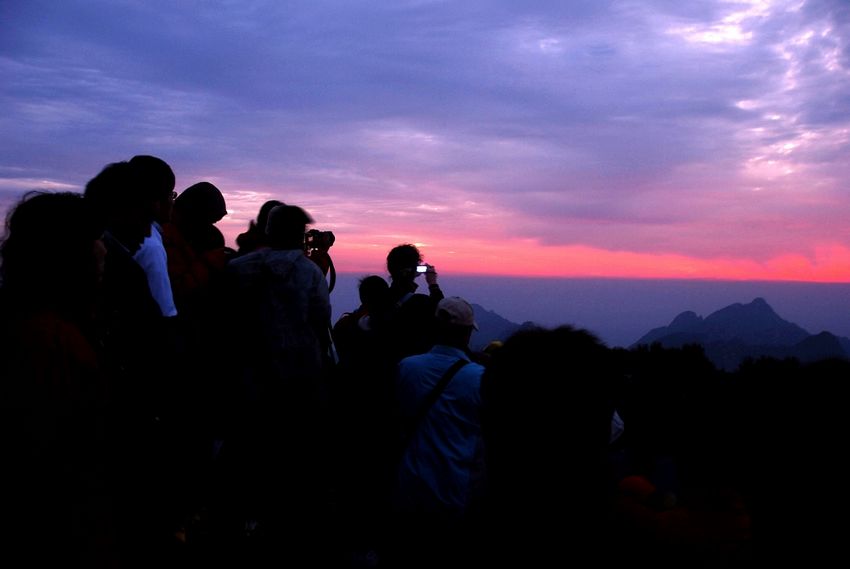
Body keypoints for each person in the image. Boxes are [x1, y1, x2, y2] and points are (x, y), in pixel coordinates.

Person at [0, 191, 117, 566]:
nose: (104, 250)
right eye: (94, 238)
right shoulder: (49, 342)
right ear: (64, 253)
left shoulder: (42, 327)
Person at [223, 203, 334, 564]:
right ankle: (288, 526)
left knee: (252, 447)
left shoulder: (238, 268)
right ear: (300, 236)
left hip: (249, 374)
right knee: (293, 451)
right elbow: (320, 322)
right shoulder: (310, 273)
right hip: (300, 377)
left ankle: (247, 521)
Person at [387, 296, 485, 568]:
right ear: (467, 333)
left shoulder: (407, 367)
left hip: (409, 485)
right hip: (455, 490)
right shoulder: (478, 378)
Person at [129, 154, 178, 318]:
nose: (173, 202)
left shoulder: (118, 233)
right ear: (157, 200)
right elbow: (165, 310)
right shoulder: (151, 244)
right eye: (171, 194)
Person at [385, 243, 444, 361]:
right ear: (409, 270)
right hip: (414, 365)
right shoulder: (419, 303)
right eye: (417, 265)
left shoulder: (382, 297)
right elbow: (442, 312)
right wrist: (432, 283)